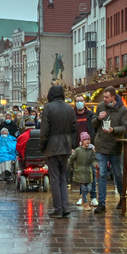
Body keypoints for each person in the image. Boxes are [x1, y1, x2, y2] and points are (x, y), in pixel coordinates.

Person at [40, 84, 75, 219]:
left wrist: (42, 146)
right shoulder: (69, 108)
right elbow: (74, 128)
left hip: (52, 148)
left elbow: (44, 131)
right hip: (65, 147)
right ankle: (65, 207)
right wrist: (70, 143)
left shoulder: (48, 108)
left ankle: (58, 209)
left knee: (54, 179)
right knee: (62, 179)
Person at [92, 86, 127, 213]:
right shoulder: (101, 107)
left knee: (117, 174)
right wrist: (98, 119)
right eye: (104, 97)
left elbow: (125, 127)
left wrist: (114, 130)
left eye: (107, 97)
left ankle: (122, 198)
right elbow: (93, 124)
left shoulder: (123, 110)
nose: (105, 99)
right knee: (101, 174)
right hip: (101, 144)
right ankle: (101, 203)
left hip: (115, 145)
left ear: (114, 97)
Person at [73, 94, 98, 207]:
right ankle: (82, 197)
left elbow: (95, 129)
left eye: (81, 101)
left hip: (90, 146)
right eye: (77, 101)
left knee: (91, 172)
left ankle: (93, 197)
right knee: (80, 173)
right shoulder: (72, 115)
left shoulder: (91, 115)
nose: (79, 103)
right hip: (78, 148)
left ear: (84, 102)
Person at [69, 132, 96, 211]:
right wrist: (70, 166)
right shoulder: (78, 150)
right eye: (85, 139)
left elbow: (94, 159)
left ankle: (83, 197)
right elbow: (71, 159)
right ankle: (86, 203)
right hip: (79, 172)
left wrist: (95, 164)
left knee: (89, 188)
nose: (87, 141)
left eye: (88, 139)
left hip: (88, 172)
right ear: (82, 141)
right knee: (84, 188)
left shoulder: (91, 151)